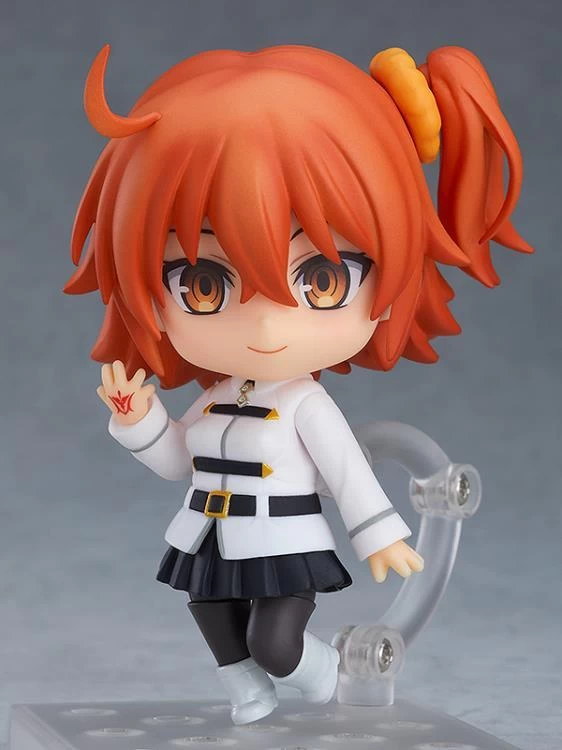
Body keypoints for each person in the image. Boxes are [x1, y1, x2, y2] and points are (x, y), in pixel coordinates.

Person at [64, 43, 532, 724]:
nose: (266, 321)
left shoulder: (304, 402)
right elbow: (178, 462)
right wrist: (139, 420)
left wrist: (378, 534)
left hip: (284, 543)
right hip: (210, 535)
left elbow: (345, 469)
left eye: (322, 280)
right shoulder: (215, 399)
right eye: (203, 284)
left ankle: (318, 673)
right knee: (209, 612)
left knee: (273, 641)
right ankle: (247, 691)